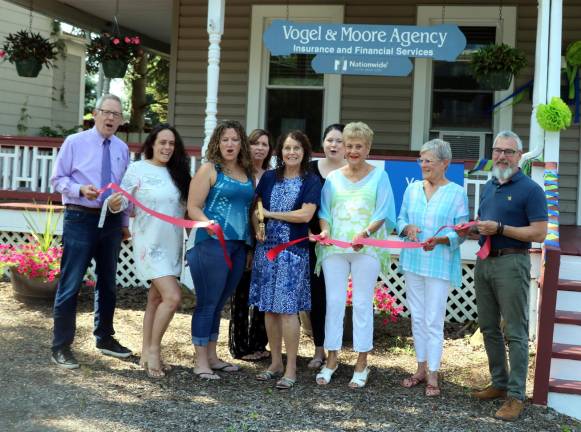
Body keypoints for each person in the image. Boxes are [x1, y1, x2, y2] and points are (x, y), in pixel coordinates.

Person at [458, 131, 547, 421]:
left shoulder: (531, 189)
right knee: (488, 326)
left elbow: (539, 232)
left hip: (512, 263)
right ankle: (498, 382)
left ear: (519, 156)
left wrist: (500, 228)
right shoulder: (490, 185)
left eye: (508, 151)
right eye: (497, 150)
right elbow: (487, 225)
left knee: (516, 332)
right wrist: (471, 230)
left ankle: (515, 396)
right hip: (485, 262)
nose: (501, 156)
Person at [50, 94, 132, 368]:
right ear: (95, 114)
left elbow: (123, 189)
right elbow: (57, 180)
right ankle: (61, 346)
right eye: (106, 112)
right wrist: (79, 190)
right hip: (80, 217)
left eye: (116, 115)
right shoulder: (75, 142)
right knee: (71, 282)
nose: (111, 118)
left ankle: (105, 338)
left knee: (108, 281)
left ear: (120, 120)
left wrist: (123, 224)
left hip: (110, 221)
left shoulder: (122, 149)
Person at [106, 124, 191, 378]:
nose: (166, 147)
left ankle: (145, 351)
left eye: (171, 143)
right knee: (173, 297)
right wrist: (112, 205)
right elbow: (122, 205)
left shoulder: (179, 173)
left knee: (155, 299)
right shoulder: (137, 169)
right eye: (162, 142)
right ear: (152, 144)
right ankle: (154, 350)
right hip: (148, 243)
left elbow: (186, 209)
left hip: (173, 243)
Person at [315, 121, 396, 388]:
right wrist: (325, 231)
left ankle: (362, 362)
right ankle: (332, 358)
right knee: (334, 302)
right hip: (334, 248)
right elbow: (324, 212)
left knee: (362, 303)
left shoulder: (379, 176)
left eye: (358, 146)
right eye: (348, 145)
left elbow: (382, 212)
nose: (351, 150)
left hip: (367, 248)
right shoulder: (333, 178)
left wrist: (365, 233)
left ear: (368, 148)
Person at [249, 130, 321, 390]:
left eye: (297, 148)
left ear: (304, 152)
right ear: (280, 151)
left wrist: (270, 213)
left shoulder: (310, 181)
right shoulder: (268, 177)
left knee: (288, 311)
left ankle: (291, 367)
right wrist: (257, 223)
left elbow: (305, 215)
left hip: (292, 253)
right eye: (287, 148)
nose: (292, 152)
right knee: (269, 308)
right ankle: (275, 363)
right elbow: (255, 208)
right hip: (266, 251)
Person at [396, 139, 469, 397]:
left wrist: (440, 240)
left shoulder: (457, 192)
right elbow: (400, 218)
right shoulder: (413, 189)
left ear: (445, 163)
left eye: (429, 160)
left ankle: (434, 375)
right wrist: (407, 228)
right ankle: (420, 368)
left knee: (433, 319)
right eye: (421, 160)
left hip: (439, 263)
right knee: (417, 317)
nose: (423, 165)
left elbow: (462, 232)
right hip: (413, 261)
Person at [186, 120, 254, 380]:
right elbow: (193, 206)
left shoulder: (246, 173)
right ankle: (200, 360)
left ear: (241, 144)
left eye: (235, 139)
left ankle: (213, 357)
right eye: (225, 139)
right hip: (212, 244)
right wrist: (208, 224)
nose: (230, 144)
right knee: (207, 302)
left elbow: (249, 211)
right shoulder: (209, 170)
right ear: (217, 142)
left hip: (239, 246)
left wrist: (249, 247)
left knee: (220, 303)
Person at [228, 128, 273, 361]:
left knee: (262, 293)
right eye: (255, 143)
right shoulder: (240, 174)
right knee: (242, 291)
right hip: (242, 237)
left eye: (265, 144)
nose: (260, 148)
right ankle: (239, 345)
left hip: (266, 240)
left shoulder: (272, 176)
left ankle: (258, 343)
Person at [306, 123, 347, 370]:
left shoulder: (352, 173)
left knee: (337, 299)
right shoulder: (310, 170)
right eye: (330, 140)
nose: (334, 145)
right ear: (323, 143)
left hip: (342, 246)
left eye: (339, 141)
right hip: (311, 242)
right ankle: (319, 349)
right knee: (318, 297)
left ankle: (336, 349)